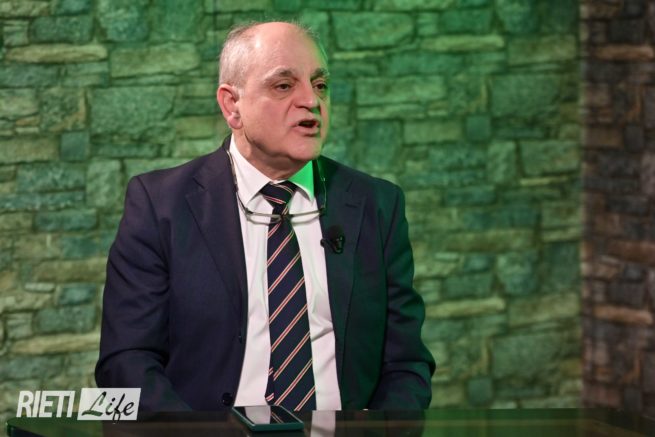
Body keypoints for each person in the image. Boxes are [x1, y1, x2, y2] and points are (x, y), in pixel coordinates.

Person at [96, 21, 435, 412]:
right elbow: (127, 361)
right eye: (284, 85)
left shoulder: (377, 204)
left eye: (320, 84)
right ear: (232, 106)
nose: (311, 100)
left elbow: (406, 363)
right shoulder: (160, 205)